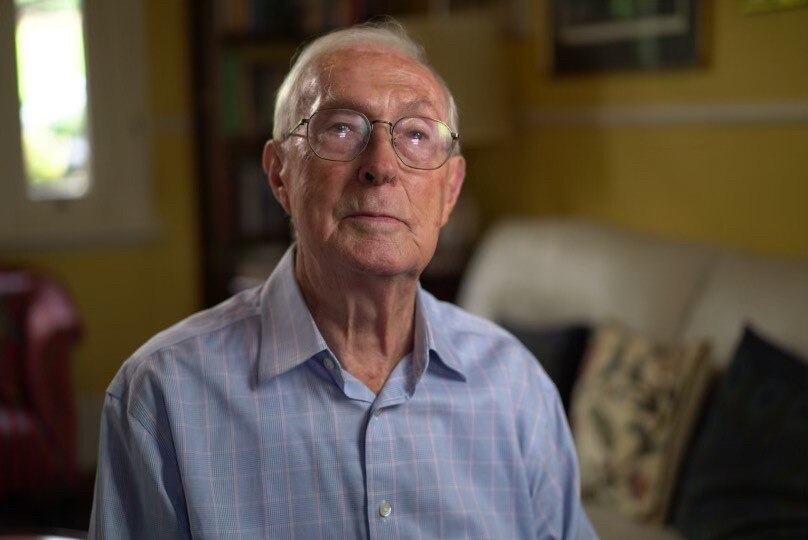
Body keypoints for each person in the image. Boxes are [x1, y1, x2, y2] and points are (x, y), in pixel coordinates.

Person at [89, 19, 596, 539]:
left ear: (450, 191)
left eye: (417, 134)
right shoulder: (161, 395)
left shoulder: (517, 387)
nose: (380, 166)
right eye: (341, 128)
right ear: (280, 174)